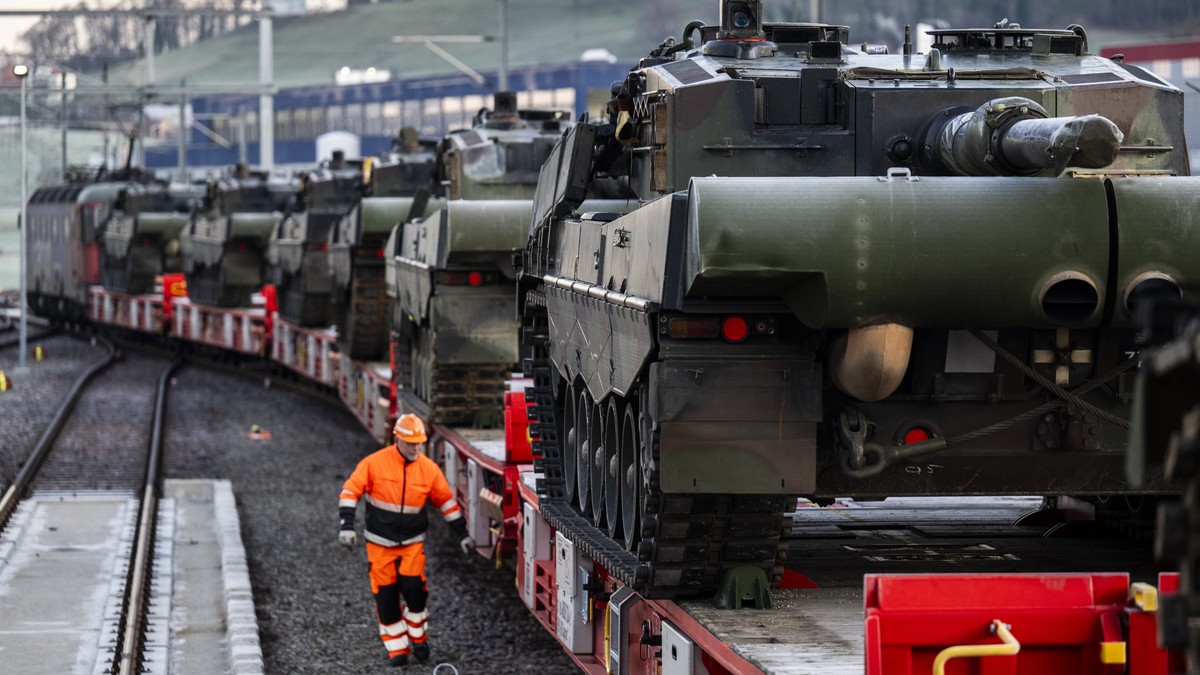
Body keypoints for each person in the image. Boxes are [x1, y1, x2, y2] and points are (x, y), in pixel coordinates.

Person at [338, 414, 475, 667]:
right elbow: (350, 491)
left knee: (415, 592)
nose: (415, 448)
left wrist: (462, 535)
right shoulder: (374, 464)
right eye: (411, 442)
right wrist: (346, 525)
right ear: (397, 439)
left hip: (412, 544)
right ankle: (397, 650)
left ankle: (419, 639)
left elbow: (446, 503)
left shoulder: (428, 469)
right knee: (386, 597)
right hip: (379, 545)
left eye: (418, 443)